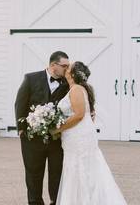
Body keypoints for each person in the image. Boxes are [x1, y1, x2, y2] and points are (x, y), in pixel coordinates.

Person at [53, 61, 128, 205]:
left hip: (77, 135)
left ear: (73, 74)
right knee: (81, 167)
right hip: (77, 135)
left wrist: (57, 129)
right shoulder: (77, 88)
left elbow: (79, 115)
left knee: (80, 167)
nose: (66, 68)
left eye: (69, 67)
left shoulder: (76, 89)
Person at [16, 51, 71, 205]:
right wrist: (21, 129)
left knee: (57, 175)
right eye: (64, 66)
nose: (68, 69)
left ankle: (56, 202)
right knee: (33, 175)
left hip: (57, 139)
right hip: (32, 139)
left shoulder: (68, 83)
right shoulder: (31, 78)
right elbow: (20, 103)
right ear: (53, 65)